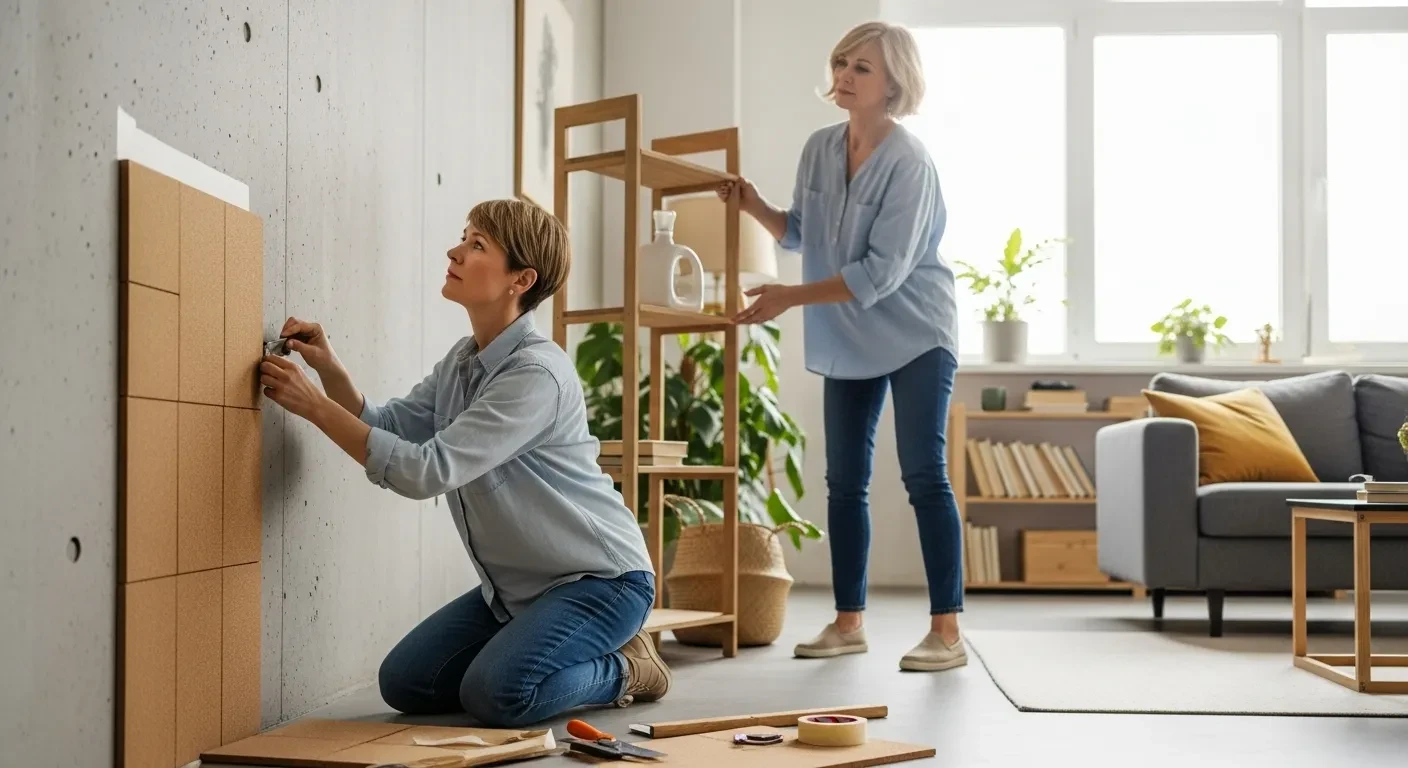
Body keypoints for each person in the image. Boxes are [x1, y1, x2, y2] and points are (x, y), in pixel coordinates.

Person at [258, 199, 670, 726]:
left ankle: (627, 667)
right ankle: (532, 642)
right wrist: (329, 368)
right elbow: (389, 427)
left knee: (497, 695)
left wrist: (313, 406)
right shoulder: (462, 360)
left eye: (477, 245)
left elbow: (426, 470)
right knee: (405, 681)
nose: (455, 250)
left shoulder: (536, 375)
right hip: (519, 590)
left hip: (601, 581)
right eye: (464, 237)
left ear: (521, 279)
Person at [717, 21, 964, 672]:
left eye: (862, 67)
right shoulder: (820, 147)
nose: (845, 75)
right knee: (843, 482)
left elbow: (881, 274)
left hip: (916, 332)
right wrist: (753, 206)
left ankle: (947, 633)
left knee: (923, 475)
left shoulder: (910, 163)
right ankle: (848, 622)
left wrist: (786, 299)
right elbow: (799, 233)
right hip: (849, 333)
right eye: (841, 62)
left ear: (894, 85)